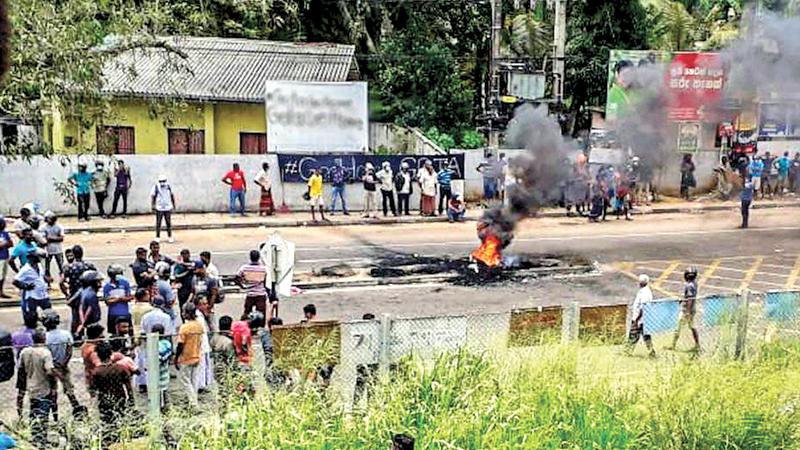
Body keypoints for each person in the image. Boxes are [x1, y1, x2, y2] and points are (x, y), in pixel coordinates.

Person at [42, 311, 86, 420]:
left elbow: (46, 354)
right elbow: (70, 350)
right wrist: (64, 362)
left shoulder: (45, 337)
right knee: (69, 389)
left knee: (53, 391)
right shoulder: (65, 334)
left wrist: (54, 364)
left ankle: (55, 415)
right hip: (64, 365)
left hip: (51, 367)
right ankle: (76, 408)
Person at [16, 330, 55, 449]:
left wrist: (21, 389)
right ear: (43, 339)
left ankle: (36, 438)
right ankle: (41, 441)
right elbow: (49, 371)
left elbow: (21, 370)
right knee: (43, 415)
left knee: (33, 413)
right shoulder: (45, 353)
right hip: (43, 388)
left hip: (31, 388)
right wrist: (54, 387)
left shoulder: (25, 351)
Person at [91, 340, 133, 447]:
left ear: (98, 356)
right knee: (121, 421)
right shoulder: (120, 368)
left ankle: (110, 444)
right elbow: (128, 386)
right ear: (111, 354)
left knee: (107, 424)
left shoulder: (96, 372)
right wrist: (131, 399)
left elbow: (93, 389)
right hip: (120, 398)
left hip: (104, 401)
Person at [61, 245, 95, 337]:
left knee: (76, 317)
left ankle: (76, 337)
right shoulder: (89, 266)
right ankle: (91, 335)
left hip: (75, 296)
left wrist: (66, 294)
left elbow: (61, 282)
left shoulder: (69, 267)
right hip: (88, 295)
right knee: (89, 316)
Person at [175, 302, 203, 408]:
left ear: (186, 313)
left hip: (186, 357)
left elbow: (180, 344)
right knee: (193, 381)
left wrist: (176, 357)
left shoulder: (184, 327)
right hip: (196, 355)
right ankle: (193, 400)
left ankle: (193, 403)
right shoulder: (199, 325)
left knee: (186, 381)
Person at [668, 266, 700, 354]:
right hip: (692, 309)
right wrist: (683, 300)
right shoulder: (694, 284)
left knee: (678, 327)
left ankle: (673, 345)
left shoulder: (689, 286)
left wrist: (687, 312)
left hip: (687, 310)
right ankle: (697, 345)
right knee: (692, 327)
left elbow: (690, 299)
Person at [12, 249, 50, 321]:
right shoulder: (26, 269)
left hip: (43, 294)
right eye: (38, 257)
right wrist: (25, 287)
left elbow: (41, 276)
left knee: (49, 313)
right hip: (32, 296)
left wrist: (46, 279)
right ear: (33, 258)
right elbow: (15, 281)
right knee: (32, 316)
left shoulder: (39, 265)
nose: (40, 259)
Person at [626, 274, 655, 357]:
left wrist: (636, 320)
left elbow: (643, 308)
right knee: (646, 336)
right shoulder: (644, 291)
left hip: (640, 319)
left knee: (633, 335)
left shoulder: (645, 293)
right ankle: (651, 351)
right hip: (643, 319)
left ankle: (627, 351)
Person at [237, 250, 268, 317]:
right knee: (261, 314)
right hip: (261, 293)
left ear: (250, 257)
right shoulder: (264, 268)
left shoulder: (244, 268)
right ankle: (261, 326)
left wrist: (242, 286)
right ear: (259, 257)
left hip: (250, 294)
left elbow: (237, 278)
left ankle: (246, 326)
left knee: (247, 312)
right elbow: (266, 280)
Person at [103, 263, 133, 334]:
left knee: (130, 332)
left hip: (125, 313)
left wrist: (115, 299)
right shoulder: (107, 286)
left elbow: (129, 297)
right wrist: (120, 299)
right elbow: (107, 301)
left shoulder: (125, 283)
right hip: (113, 314)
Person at [210, 315, 237, 386]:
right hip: (225, 370)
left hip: (216, 367)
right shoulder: (228, 342)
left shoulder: (214, 337)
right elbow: (231, 358)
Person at [151, 323, 172, 412]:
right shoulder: (167, 344)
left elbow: (157, 360)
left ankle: (159, 409)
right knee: (165, 392)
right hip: (165, 372)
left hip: (157, 374)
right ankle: (167, 408)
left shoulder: (155, 345)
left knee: (158, 394)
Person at [77, 270, 103, 336]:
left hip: (87, 322)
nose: (100, 284)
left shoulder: (84, 291)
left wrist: (82, 321)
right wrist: (83, 324)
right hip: (92, 322)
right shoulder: (92, 294)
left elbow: (80, 307)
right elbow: (89, 309)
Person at [80, 323, 104, 394]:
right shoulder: (93, 350)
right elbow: (98, 365)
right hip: (96, 377)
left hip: (89, 375)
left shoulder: (85, 346)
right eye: (101, 334)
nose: (103, 336)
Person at [151, 174, 176, 243]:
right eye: (161, 181)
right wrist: (153, 205)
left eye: (163, 181)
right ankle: (157, 236)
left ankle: (170, 236)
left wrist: (174, 205)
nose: (162, 182)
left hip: (167, 207)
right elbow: (153, 196)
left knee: (168, 223)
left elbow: (172, 195)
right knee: (158, 223)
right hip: (159, 207)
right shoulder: (156, 187)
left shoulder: (169, 187)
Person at [42, 211, 64, 282]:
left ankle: (62, 279)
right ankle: (47, 280)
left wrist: (50, 238)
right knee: (47, 267)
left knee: (61, 266)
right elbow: (44, 239)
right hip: (48, 250)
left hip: (58, 250)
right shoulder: (43, 227)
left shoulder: (59, 227)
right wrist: (55, 238)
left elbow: (61, 238)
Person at [173, 249, 195, 313]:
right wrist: (187, 271)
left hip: (191, 288)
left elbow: (193, 266)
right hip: (182, 289)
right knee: (183, 307)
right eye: (184, 254)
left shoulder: (192, 263)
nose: (185, 256)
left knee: (192, 306)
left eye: (187, 254)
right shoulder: (178, 266)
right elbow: (177, 275)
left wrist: (184, 264)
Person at [0, 217, 13, 298]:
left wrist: (4, 244)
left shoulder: (5, 233)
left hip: (5, 256)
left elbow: (11, 244)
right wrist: (4, 244)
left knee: (3, 275)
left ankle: (1, 291)